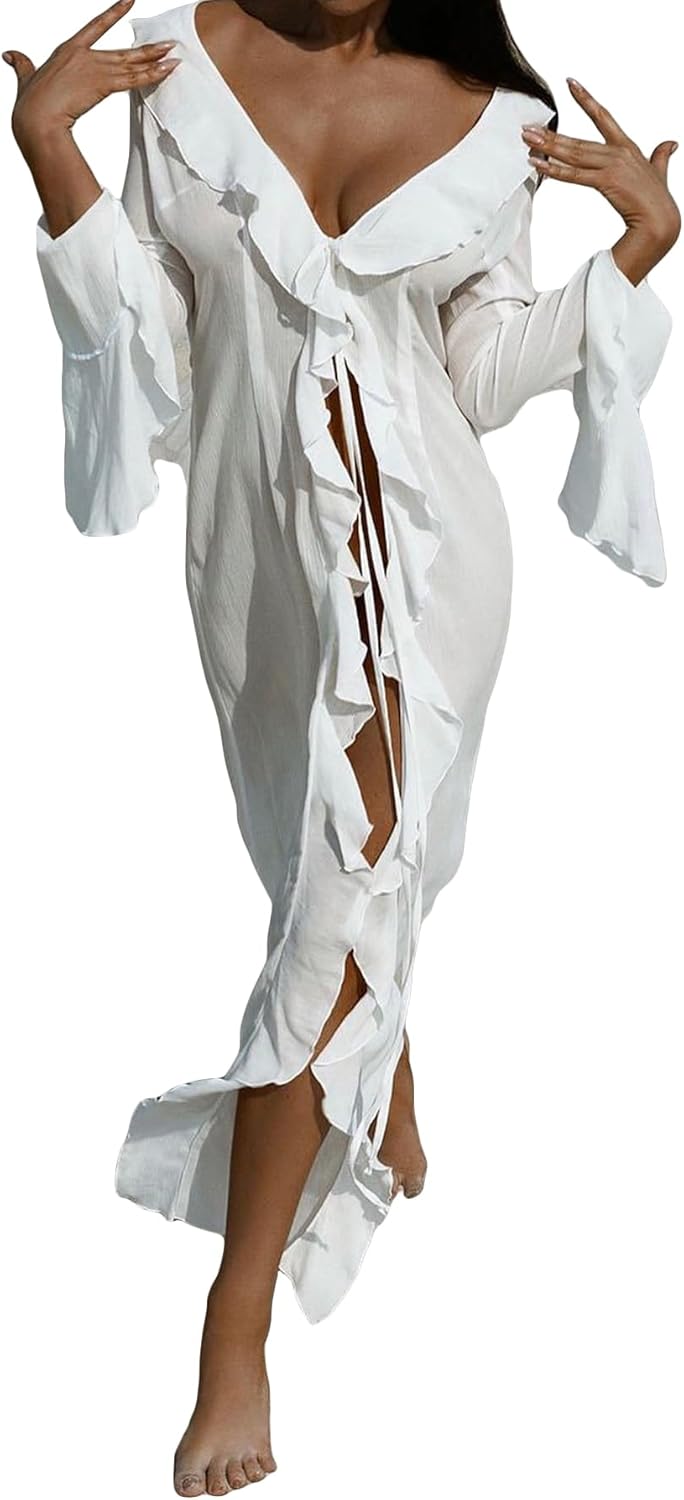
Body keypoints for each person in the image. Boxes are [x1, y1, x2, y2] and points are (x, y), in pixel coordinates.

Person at [4, 0, 679, 1493]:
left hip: (431, 572)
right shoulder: (176, 72)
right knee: (316, 864)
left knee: (343, 877)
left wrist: (640, 246)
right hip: (257, 565)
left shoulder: (493, 121)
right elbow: (158, 338)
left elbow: (479, 372)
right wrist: (51, 151)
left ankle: (234, 1322)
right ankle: (390, 1057)